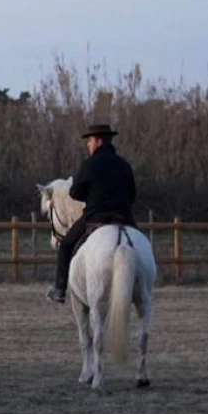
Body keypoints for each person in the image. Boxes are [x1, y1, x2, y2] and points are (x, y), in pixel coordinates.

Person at [46, 123, 137, 303]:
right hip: (124, 216)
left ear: (98, 141)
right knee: (141, 244)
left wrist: (91, 196)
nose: (88, 145)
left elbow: (74, 192)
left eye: (90, 141)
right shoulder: (124, 165)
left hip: (96, 216)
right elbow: (132, 193)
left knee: (65, 245)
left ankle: (59, 288)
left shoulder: (90, 164)